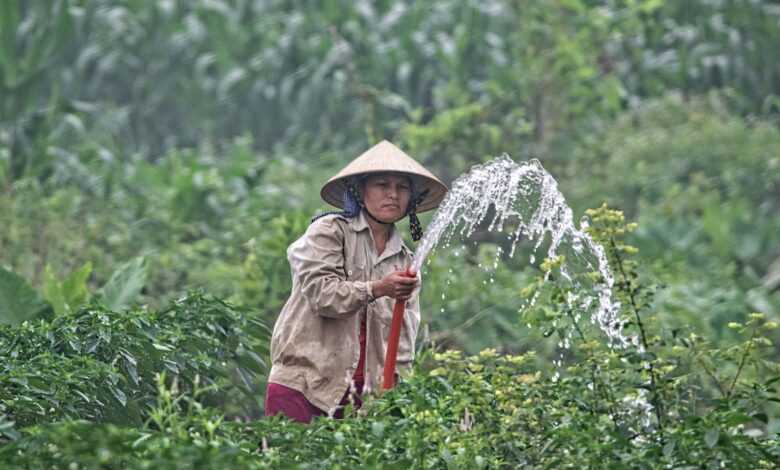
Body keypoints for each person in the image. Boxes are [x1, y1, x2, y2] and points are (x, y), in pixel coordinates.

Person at [264, 140, 447, 423]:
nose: (392, 195)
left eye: (402, 187)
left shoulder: (405, 261)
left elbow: (403, 341)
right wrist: (378, 288)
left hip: (363, 400)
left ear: (411, 198)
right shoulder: (329, 232)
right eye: (382, 185)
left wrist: (396, 398)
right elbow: (322, 296)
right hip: (304, 386)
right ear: (361, 191)